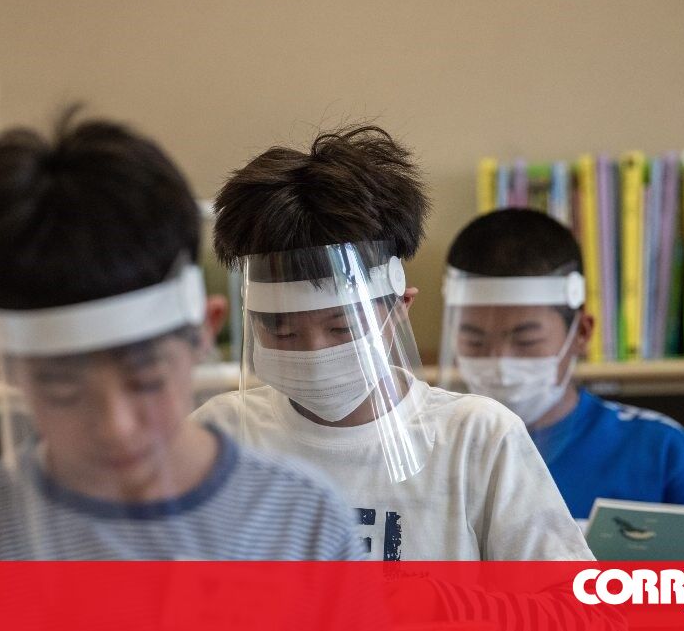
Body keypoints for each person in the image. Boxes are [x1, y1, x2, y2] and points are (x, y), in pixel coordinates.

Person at [0, 111, 359, 560]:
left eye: (146, 378)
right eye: (63, 388)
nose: (117, 427)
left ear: (204, 331)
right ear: (0, 361)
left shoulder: (304, 524)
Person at [192, 125, 592, 561]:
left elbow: (568, 598)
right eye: (281, 330)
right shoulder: (217, 436)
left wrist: (443, 597)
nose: (314, 352)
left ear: (400, 306)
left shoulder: (476, 438)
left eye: (343, 328)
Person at [441, 207, 684, 561]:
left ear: (581, 332)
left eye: (526, 340)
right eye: (474, 341)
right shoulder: (433, 450)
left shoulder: (655, 448)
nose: (500, 363)